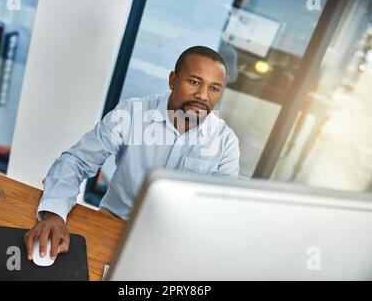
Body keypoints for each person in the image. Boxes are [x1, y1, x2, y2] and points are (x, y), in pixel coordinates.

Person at [24, 45, 240, 261]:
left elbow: (220, 211)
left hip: (174, 244)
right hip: (112, 225)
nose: (203, 95)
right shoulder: (132, 114)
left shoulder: (226, 142)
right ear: (173, 80)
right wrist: (54, 215)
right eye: (194, 82)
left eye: (214, 88)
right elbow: (77, 161)